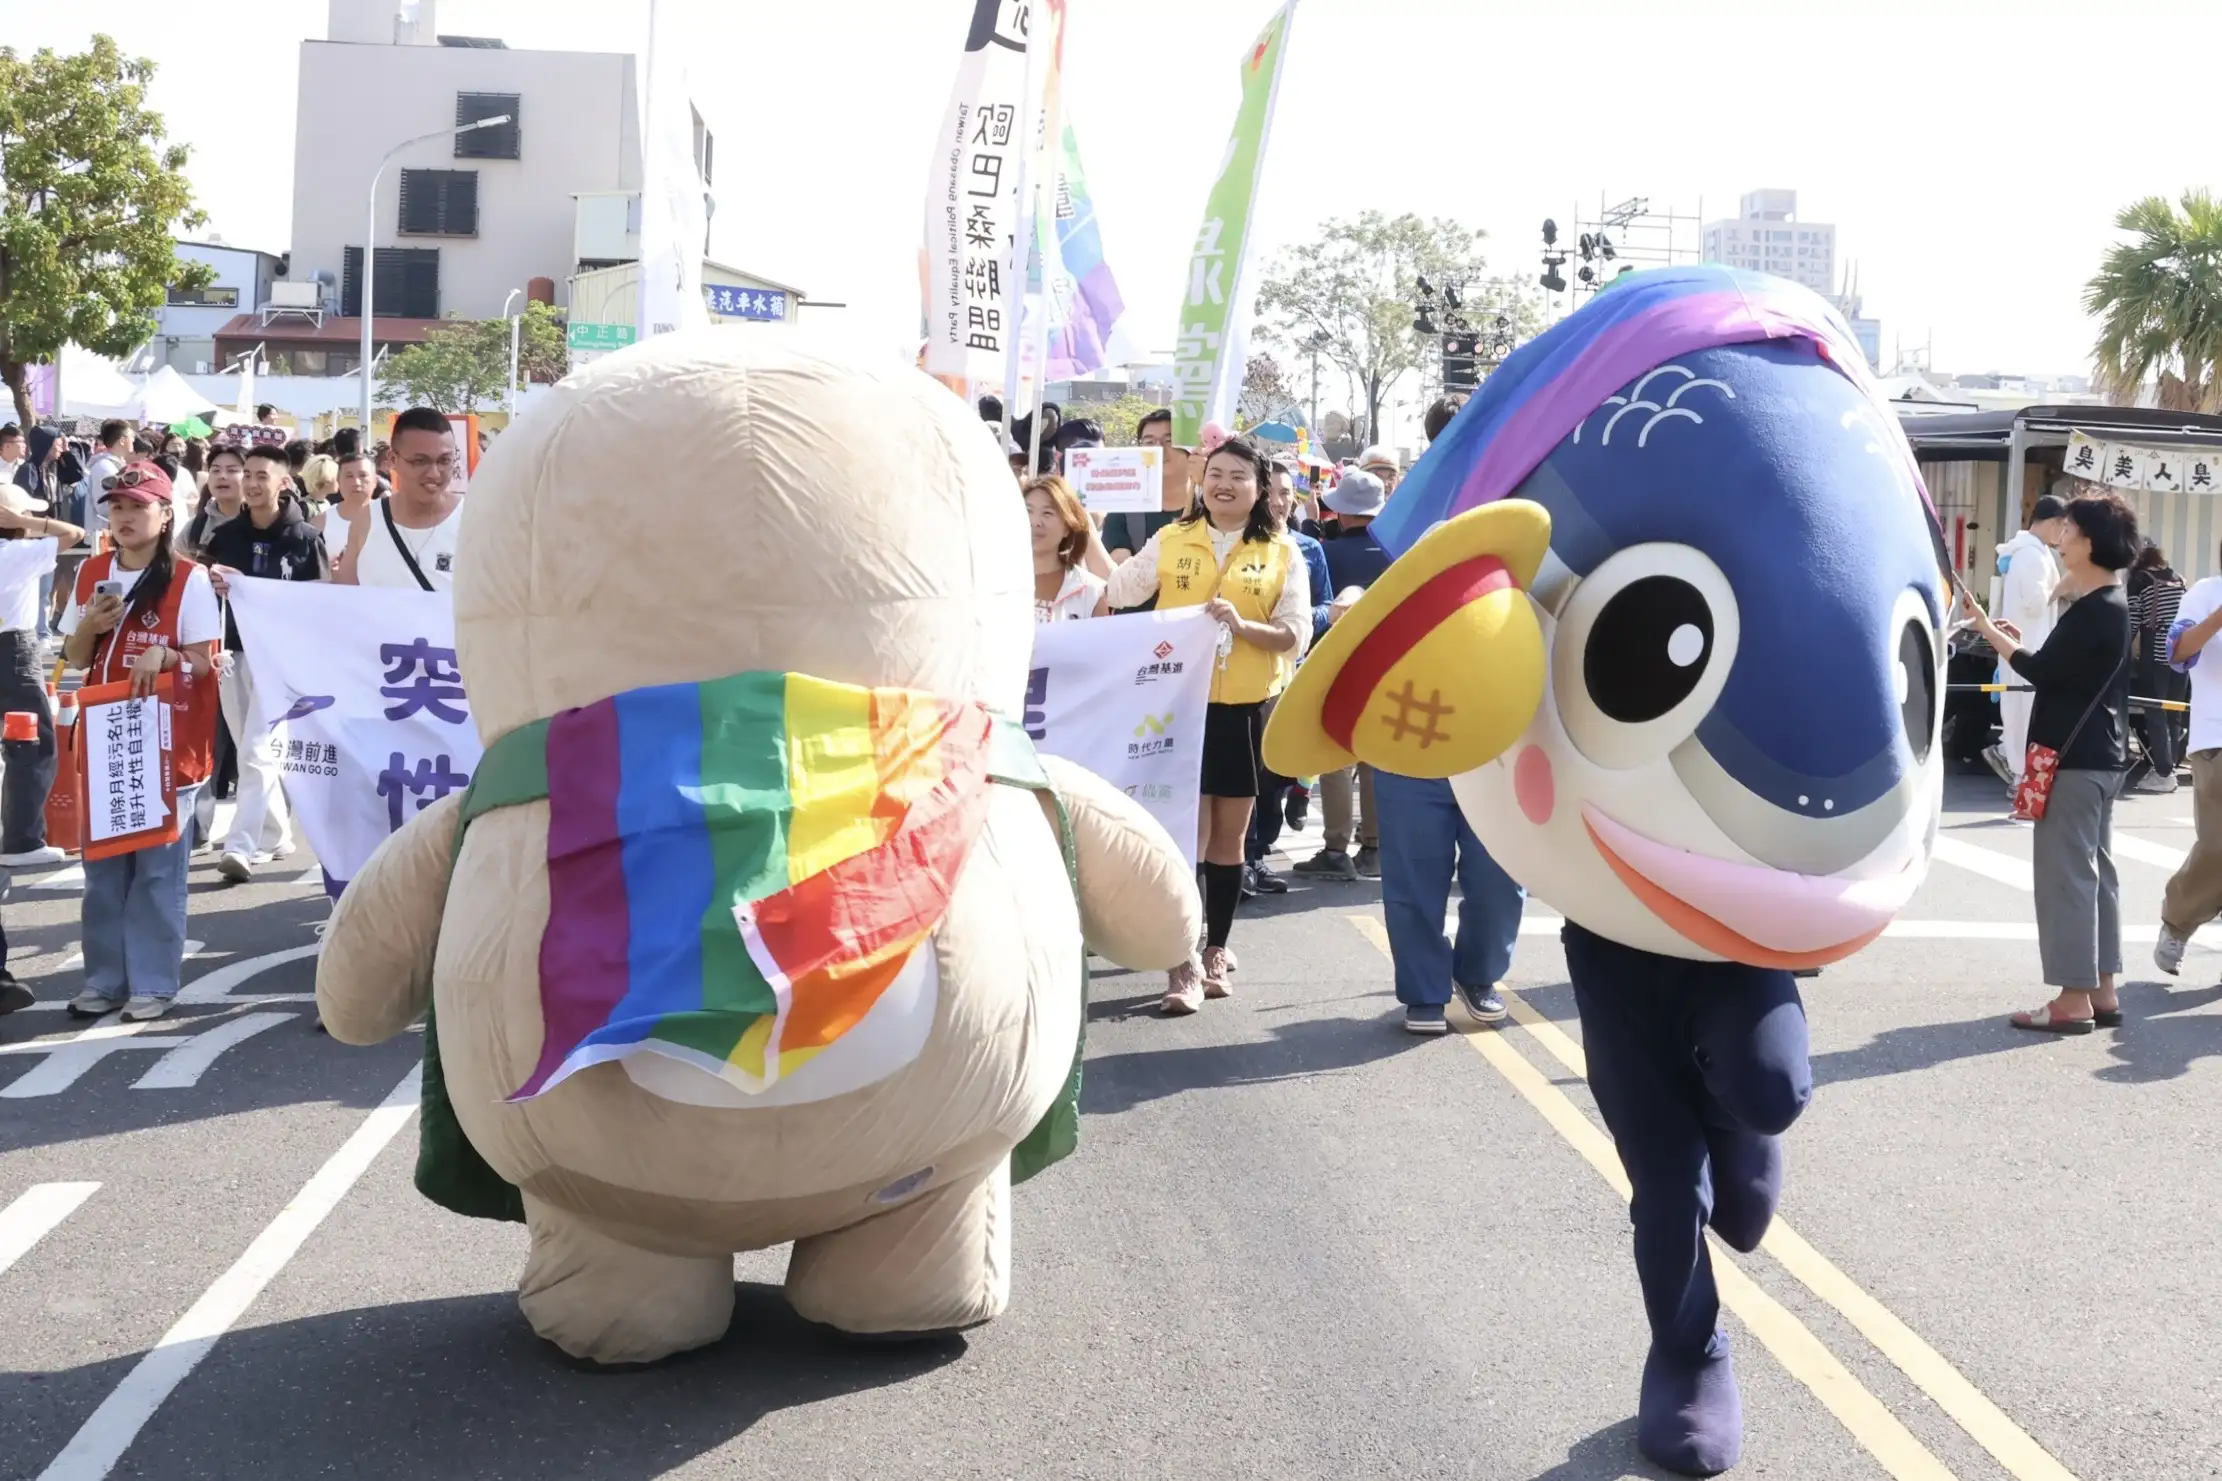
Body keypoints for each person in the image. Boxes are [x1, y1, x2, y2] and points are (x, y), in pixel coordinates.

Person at [1103, 436, 1309, 1013]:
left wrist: (1244, 626)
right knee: (1180, 839)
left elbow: (1294, 634)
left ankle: (1217, 948)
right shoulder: (1171, 539)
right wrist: (1087, 529)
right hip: (1173, 708)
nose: (1223, 483)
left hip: (1242, 712)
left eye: (1238, 476)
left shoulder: (1283, 552)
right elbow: (1117, 591)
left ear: (1259, 487)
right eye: (1214, 472)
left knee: (1228, 838)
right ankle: (1182, 960)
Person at [1962, 492, 2138, 1033]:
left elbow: (2043, 673)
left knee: (2067, 878)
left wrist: (1989, 630)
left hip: (2072, 759)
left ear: (2087, 541)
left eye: (2070, 530)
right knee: (2096, 875)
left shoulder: (2093, 609)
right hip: (2101, 758)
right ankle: (2101, 990)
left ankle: (2071, 1000)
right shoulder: (2108, 605)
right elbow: (2060, 668)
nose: (2061, 537)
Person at [59, 462, 222, 1021]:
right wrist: (90, 628)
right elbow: (74, 659)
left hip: (166, 745)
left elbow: (206, 661)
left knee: (156, 871)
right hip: (106, 739)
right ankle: (104, 981)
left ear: (165, 512)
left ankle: (153, 982)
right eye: (118, 506)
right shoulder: (92, 573)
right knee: (103, 872)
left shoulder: (189, 579)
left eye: (138, 506)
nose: (125, 516)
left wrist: (170, 654)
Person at [202, 444, 329, 882]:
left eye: (261, 476)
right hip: (233, 654)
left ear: (284, 482)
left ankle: (240, 846)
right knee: (248, 748)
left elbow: (318, 601)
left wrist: (252, 586)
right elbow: (203, 587)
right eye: (247, 474)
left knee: (257, 752)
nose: (251, 484)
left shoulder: (305, 539)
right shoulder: (224, 537)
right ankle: (275, 834)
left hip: (281, 661)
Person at [1291, 467, 1394, 884]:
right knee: (1373, 758)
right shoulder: (1397, 551)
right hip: (1388, 665)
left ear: (1343, 512)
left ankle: (1336, 848)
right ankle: (1374, 847)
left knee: (1335, 757)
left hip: (1337, 664)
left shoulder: (1324, 552)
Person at [0, 479, 83, 869]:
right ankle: (21, 841)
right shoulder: (17, 551)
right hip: (11, 650)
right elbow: (75, 533)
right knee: (30, 746)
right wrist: (31, 523)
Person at [2154, 551, 2222, 977]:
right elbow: (2177, 651)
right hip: (2216, 736)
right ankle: (2177, 920)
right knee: (2218, 845)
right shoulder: (2204, 593)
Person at [1986, 492, 2070, 787]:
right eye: (2064, 527)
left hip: (2026, 648)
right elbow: (2034, 602)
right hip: (2027, 648)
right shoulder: (2031, 556)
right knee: (2025, 716)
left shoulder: (2031, 551)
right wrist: (2063, 586)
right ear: (2054, 523)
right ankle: (2019, 776)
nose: (2064, 535)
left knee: (2023, 715)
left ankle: (2019, 774)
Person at [339, 407, 462, 590]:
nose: (434, 474)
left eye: (444, 461)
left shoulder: (473, 521)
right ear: (393, 459)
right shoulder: (368, 520)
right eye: (420, 461)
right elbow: (343, 596)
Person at [2126, 541, 2188, 792]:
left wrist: (2122, 654)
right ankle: (2169, 767)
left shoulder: (2140, 580)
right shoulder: (2178, 579)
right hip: (2181, 653)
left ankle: (2163, 772)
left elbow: (2132, 621)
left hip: (2156, 653)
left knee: (2154, 711)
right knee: (2173, 712)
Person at [1104, 408, 1195, 565]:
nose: (1159, 449)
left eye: (1169, 441)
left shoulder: (1212, 506)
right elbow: (1121, 574)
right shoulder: (1125, 510)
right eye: (1149, 442)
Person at [1025, 474, 1108, 623]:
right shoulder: (993, 580)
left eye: (1047, 513)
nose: (1035, 522)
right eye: (1028, 511)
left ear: (1067, 527)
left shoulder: (1090, 592)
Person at [323, 450, 382, 580]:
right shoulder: (321, 523)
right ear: (338, 481)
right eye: (349, 476)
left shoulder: (391, 518)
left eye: (363, 475)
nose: (356, 482)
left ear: (375, 481)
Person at [77, 419, 131, 535]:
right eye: (131, 437)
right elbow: (103, 507)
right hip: (103, 535)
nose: (133, 441)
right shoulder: (105, 467)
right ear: (122, 440)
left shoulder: (114, 465)